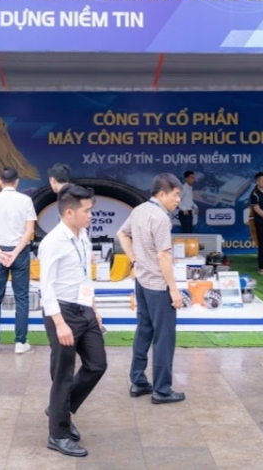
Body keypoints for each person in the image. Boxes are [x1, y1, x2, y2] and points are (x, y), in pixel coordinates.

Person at [40, 184, 107, 458]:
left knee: (97, 364)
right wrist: (60, 323)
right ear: (70, 212)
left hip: (84, 308)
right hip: (62, 312)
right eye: (87, 211)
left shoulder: (83, 236)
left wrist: (94, 308)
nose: (91, 215)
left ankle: (60, 408)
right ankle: (58, 435)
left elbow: (84, 275)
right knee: (63, 375)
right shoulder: (52, 242)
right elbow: (46, 287)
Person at [117, 173, 186, 404]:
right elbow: (163, 256)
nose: (178, 200)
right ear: (162, 194)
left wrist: (134, 260)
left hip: (142, 281)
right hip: (158, 286)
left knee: (144, 330)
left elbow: (121, 234)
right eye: (176, 195)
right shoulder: (161, 218)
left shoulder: (138, 210)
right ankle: (162, 390)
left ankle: (138, 381)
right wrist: (174, 290)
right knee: (164, 338)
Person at [0, 167, 38, 355]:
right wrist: (15, 252)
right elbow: (29, 230)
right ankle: (20, 342)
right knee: (22, 298)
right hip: (20, 252)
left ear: (0, 181)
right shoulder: (26, 200)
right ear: (17, 182)